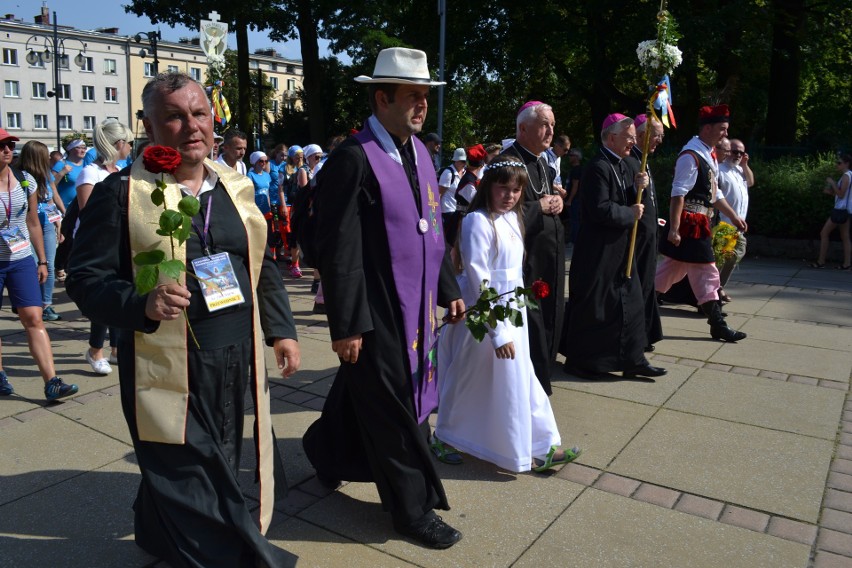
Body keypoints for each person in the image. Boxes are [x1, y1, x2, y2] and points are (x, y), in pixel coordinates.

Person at [66, 72, 301, 567]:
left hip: (236, 350)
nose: (191, 126)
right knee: (193, 474)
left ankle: (157, 532)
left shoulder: (233, 187)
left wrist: (281, 331)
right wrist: (140, 304)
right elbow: (85, 280)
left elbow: (258, 266)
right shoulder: (123, 192)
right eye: (174, 115)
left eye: (199, 113)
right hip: (169, 360)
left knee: (213, 458)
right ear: (150, 126)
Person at [302, 47, 465, 550]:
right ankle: (411, 509)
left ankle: (327, 451)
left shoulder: (417, 150)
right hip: (374, 308)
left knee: (371, 393)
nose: (421, 106)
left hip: (413, 303)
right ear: (382, 98)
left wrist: (447, 287)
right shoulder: (355, 158)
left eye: (424, 96)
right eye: (412, 97)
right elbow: (337, 247)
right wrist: (347, 324)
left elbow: (428, 226)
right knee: (395, 406)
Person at [435, 159, 581, 472]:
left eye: (516, 190)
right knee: (467, 376)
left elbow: (514, 272)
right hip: (484, 314)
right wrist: (497, 332)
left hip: (512, 310)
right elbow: (478, 277)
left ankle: (541, 445)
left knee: (520, 377)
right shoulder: (477, 220)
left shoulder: (513, 219)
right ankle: (444, 435)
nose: (510, 195)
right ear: (488, 186)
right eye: (503, 188)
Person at [562, 114, 665, 379]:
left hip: (619, 250)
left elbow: (624, 201)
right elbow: (600, 210)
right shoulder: (598, 167)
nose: (633, 141)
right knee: (596, 309)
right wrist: (631, 213)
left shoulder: (619, 165)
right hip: (598, 252)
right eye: (629, 137)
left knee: (631, 302)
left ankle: (634, 359)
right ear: (611, 137)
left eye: (633, 136)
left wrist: (635, 189)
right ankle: (585, 363)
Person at [655, 104, 747, 342]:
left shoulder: (707, 154)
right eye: (722, 129)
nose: (725, 134)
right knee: (707, 271)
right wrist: (674, 228)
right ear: (707, 128)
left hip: (698, 223)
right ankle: (718, 325)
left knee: (669, 273)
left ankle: (637, 309)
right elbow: (678, 194)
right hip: (690, 224)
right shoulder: (691, 155)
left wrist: (734, 215)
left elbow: (714, 195)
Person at [0, 128, 78, 400]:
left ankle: (52, 381)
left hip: (20, 259)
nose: (7, 150)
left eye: (10, 145)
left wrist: (43, 260)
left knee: (34, 318)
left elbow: (33, 221)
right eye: (2, 146)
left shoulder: (25, 181)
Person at [497, 101, 564, 395]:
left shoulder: (542, 161)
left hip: (548, 254)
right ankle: (532, 381)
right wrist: (540, 206)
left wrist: (557, 202)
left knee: (549, 316)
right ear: (523, 128)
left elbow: (547, 199)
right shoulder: (508, 162)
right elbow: (500, 213)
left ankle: (543, 373)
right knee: (532, 320)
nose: (550, 131)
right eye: (544, 124)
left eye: (552, 124)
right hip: (525, 259)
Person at [74, 118, 135, 374]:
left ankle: (116, 348)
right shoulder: (91, 172)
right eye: (130, 143)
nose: (132, 147)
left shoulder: (118, 171)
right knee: (103, 297)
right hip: (98, 247)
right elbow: (88, 213)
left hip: (120, 243)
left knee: (121, 295)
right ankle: (95, 350)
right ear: (120, 143)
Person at [627, 114, 665, 351]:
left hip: (649, 233)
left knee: (648, 282)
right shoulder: (632, 161)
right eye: (657, 135)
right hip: (637, 236)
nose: (659, 141)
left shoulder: (643, 159)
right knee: (639, 284)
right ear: (641, 135)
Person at [18, 141, 65, 322]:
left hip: (45, 224)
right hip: (26, 226)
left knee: (48, 265)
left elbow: (52, 199)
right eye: (44, 154)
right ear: (35, 156)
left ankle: (46, 304)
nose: (48, 157)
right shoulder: (19, 176)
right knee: (33, 265)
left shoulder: (46, 175)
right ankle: (28, 303)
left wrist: (59, 220)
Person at [717, 138, 756, 294]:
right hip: (723, 224)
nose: (738, 155)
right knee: (720, 261)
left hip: (738, 226)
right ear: (727, 151)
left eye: (741, 152)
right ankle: (714, 292)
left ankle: (717, 289)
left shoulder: (739, 170)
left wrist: (745, 165)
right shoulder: (720, 169)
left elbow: (751, 182)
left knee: (735, 256)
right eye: (735, 152)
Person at [53, 138, 88, 282]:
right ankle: (59, 266)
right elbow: (51, 184)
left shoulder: (87, 165)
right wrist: (61, 173)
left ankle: (70, 267)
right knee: (65, 239)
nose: (82, 150)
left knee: (76, 238)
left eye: (84, 148)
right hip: (64, 207)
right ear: (71, 150)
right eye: (79, 148)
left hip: (79, 207)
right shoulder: (62, 164)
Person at [811, 154, 852, 270]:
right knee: (845, 236)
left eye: (839, 163)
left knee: (824, 233)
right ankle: (847, 263)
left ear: (846, 164)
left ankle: (821, 261)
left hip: (840, 210)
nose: (837, 165)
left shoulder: (846, 176)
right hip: (846, 210)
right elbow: (841, 195)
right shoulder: (849, 175)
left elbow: (841, 194)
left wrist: (832, 183)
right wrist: (831, 192)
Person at [282, 145, 308, 278]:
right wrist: (283, 204)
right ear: (291, 156)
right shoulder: (286, 169)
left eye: (301, 154)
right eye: (296, 154)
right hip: (294, 205)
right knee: (294, 235)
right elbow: (281, 188)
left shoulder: (306, 168)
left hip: (303, 205)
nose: (299, 156)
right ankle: (294, 264)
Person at [438, 148, 467, 244]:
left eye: (465, 161)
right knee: (449, 241)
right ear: (456, 160)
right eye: (462, 161)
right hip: (447, 212)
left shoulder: (465, 173)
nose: (464, 163)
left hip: (459, 212)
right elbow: (439, 193)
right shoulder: (448, 173)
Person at [563, 148, 584, 244]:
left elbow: (575, 186)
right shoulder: (574, 169)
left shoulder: (577, 170)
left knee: (574, 221)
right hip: (574, 200)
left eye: (571, 156)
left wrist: (570, 200)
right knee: (573, 221)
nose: (569, 158)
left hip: (575, 200)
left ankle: (575, 242)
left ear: (576, 157)